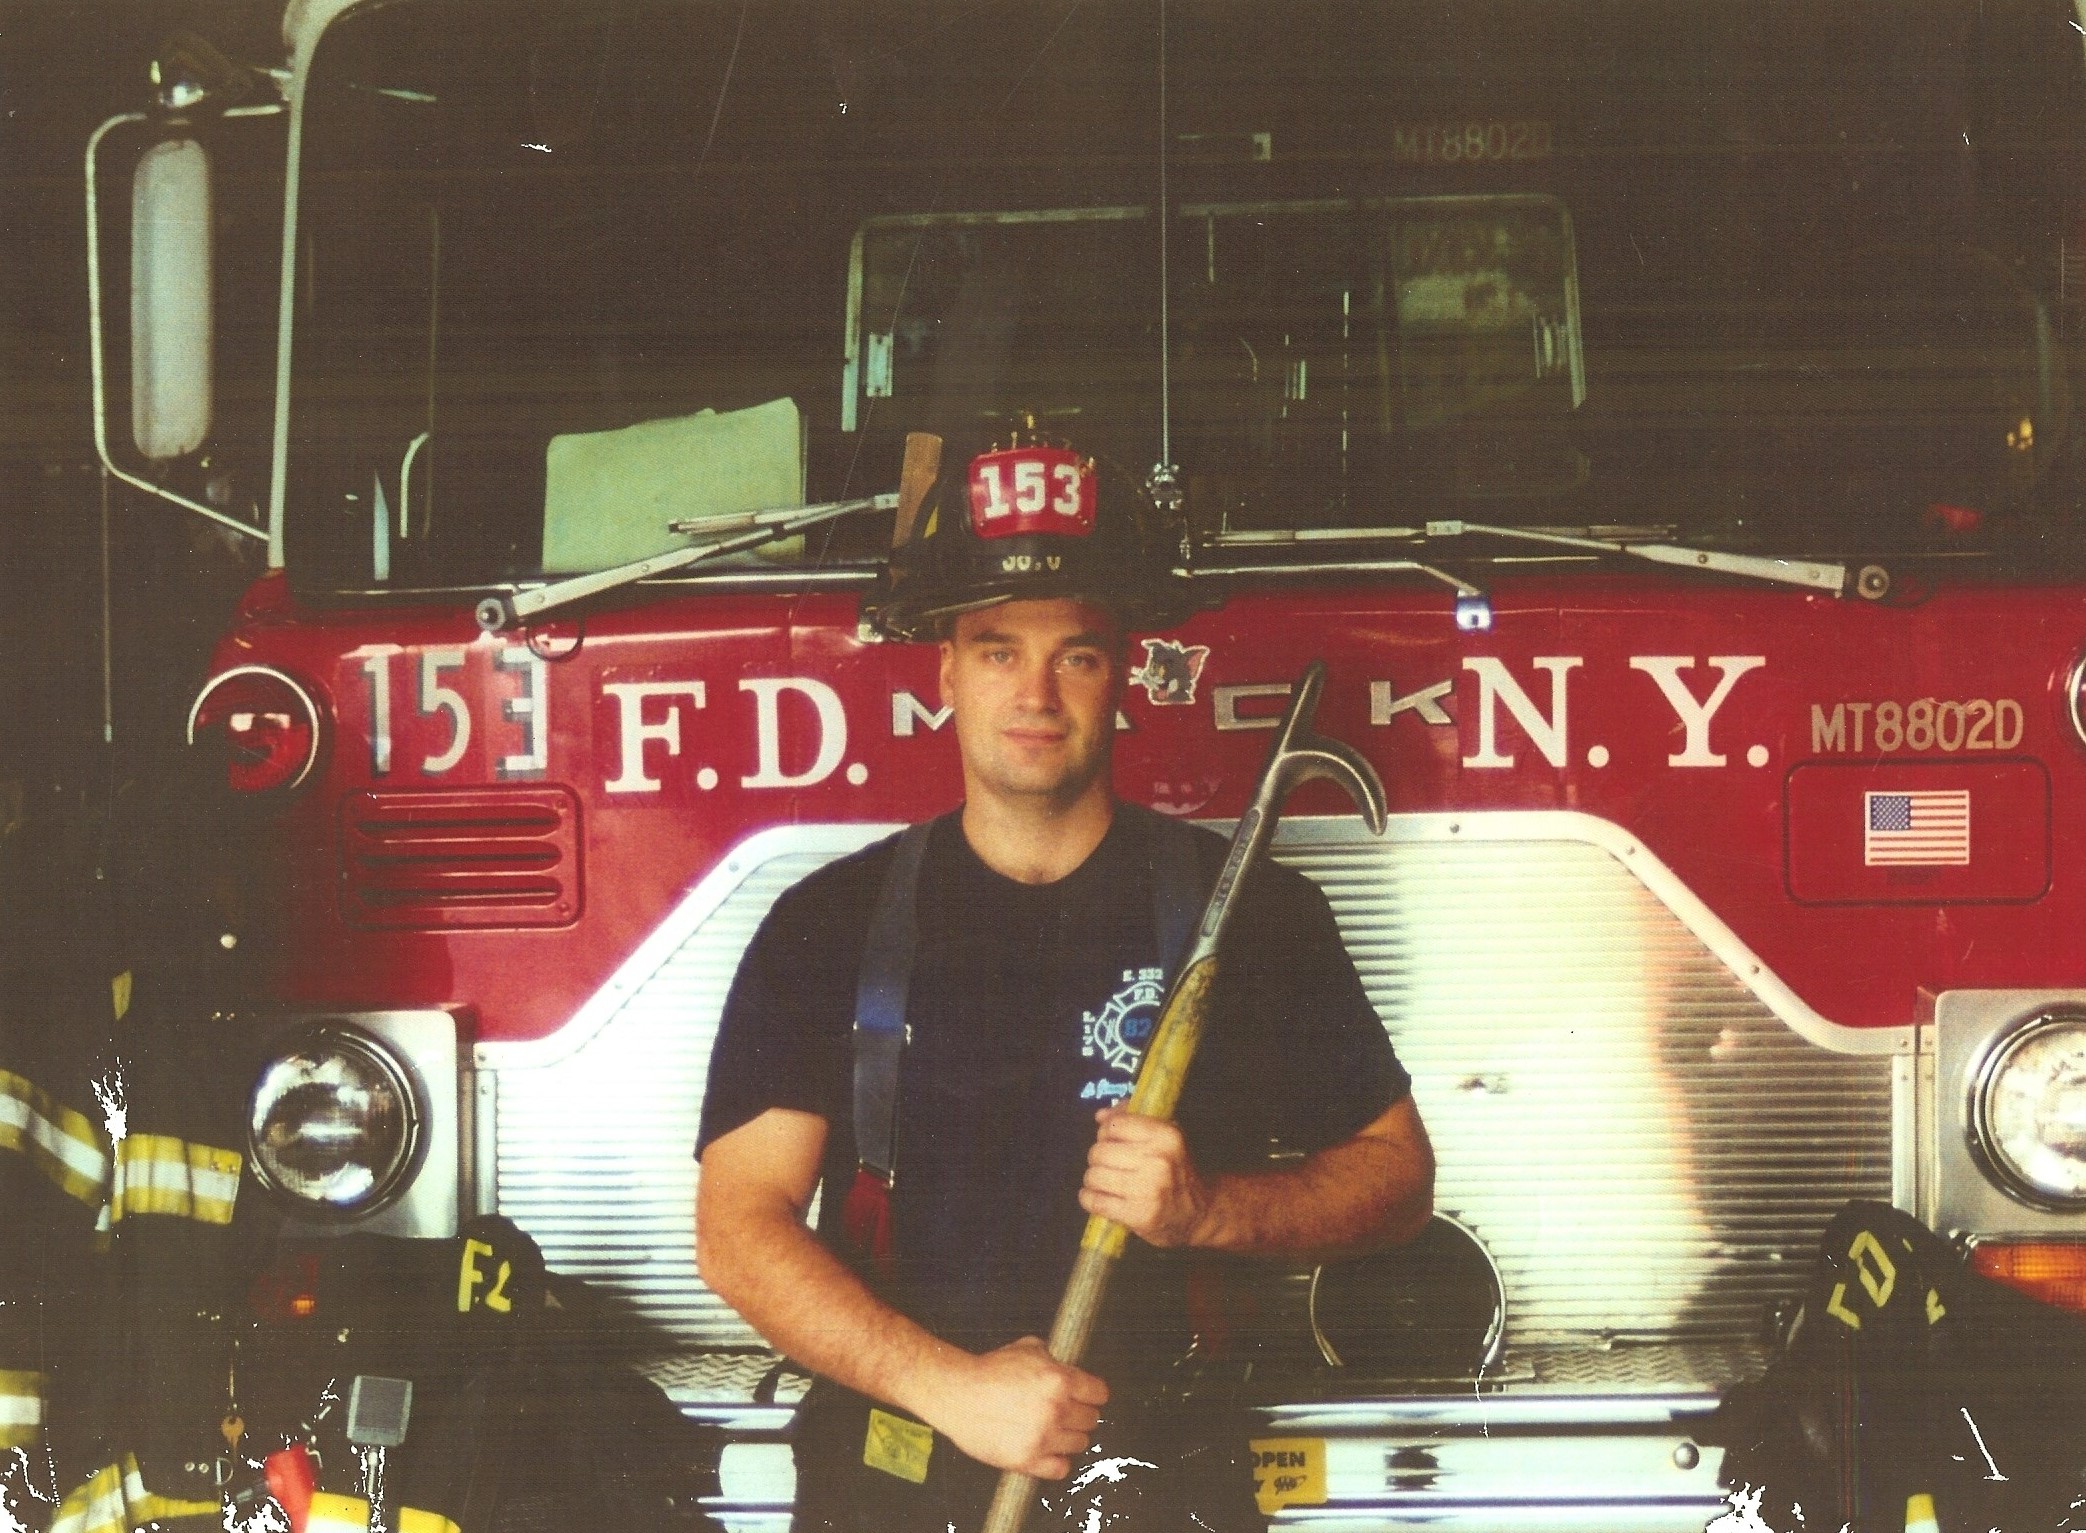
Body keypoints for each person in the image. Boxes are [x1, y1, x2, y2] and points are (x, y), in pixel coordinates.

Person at [695, 432, 1434, 1532]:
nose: (1035, 692)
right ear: (944, 670)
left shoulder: (1256, 917)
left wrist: (1210, 1211)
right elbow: (736, 1228)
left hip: (1165, 1472)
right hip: (894, 1464)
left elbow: (1396, 1179)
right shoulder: (828, 924)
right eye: (997, 649)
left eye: (1075, 653)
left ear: (1122, 671)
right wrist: (954, 1391)